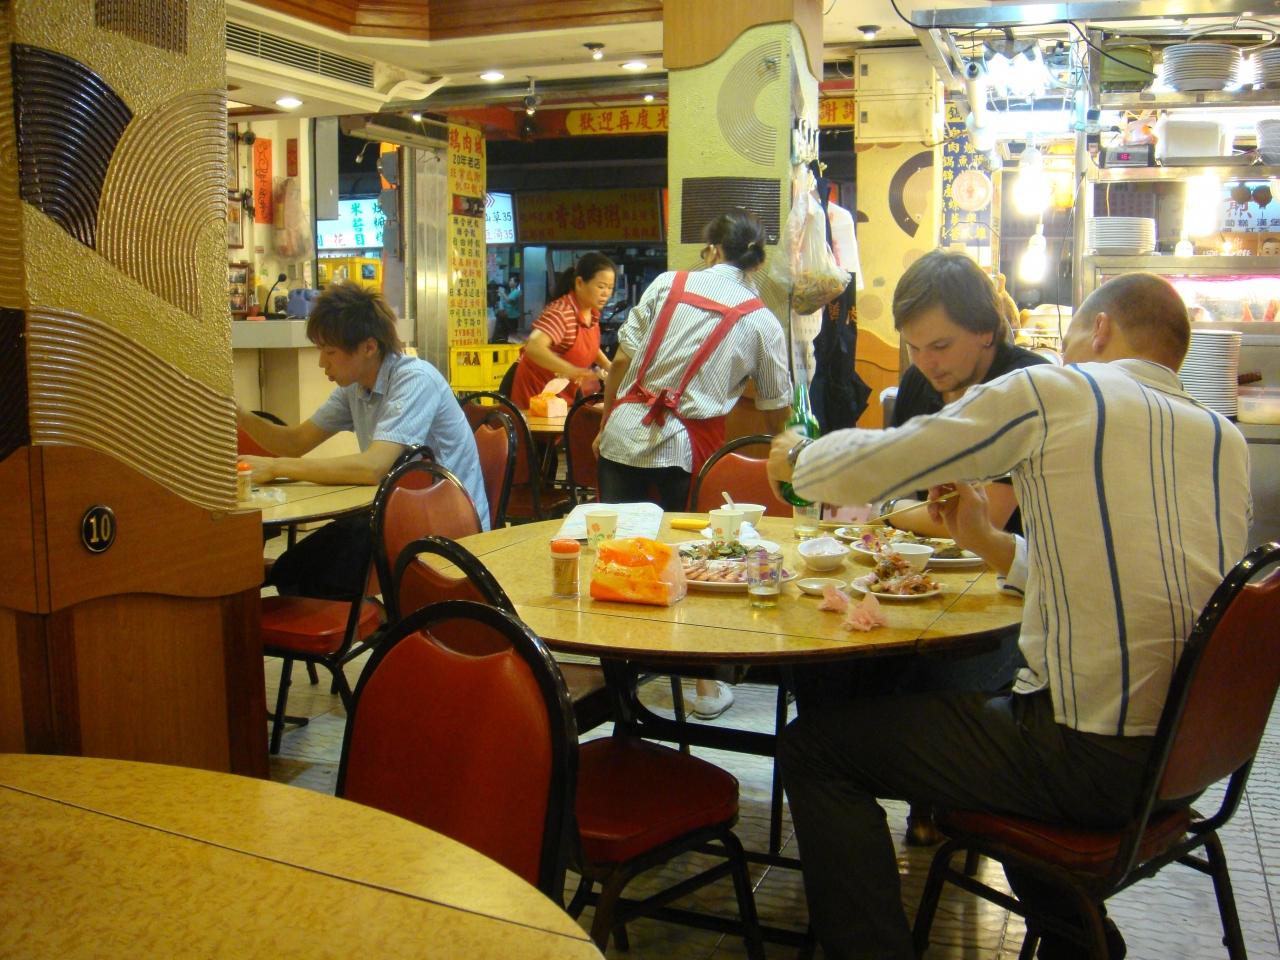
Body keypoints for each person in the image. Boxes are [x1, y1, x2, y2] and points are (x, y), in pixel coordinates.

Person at [767, 272, 1251, 960]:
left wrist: (800, 459)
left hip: (1093, 756)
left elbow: (891, 459)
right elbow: (1101, 571)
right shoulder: (1222, 438)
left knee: (816, 750)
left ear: (1100, 329)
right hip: (1189, 763)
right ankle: (1079, 944)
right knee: (999, 714)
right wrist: (985, 541)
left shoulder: (1065, 391)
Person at [596, 207, 792, 720]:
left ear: (712, 250)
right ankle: (704, 686)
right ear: (755, 262)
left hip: (622, 435)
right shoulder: (762, 321)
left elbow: (621, 362)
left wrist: (605, 423)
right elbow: (777, 406)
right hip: (686, 448)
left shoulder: (667, 284)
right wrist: (782, 457)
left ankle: (619, 680)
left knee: (619, 557)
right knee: (691, 563)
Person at [239, 282, 489, 600]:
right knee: (298, 567)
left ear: (369, 347)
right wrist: (239, 415)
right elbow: (295, 442)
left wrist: (277, 468)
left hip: (447, 526)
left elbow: (373, 467)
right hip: (398, 513)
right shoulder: (355, 387)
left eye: (330, 352)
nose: (322, 362)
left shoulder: (415, 380)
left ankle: (374, 618)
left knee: (308, 571)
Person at [884, 251, 1048, 539]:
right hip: (927, 559)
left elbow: (982, 521)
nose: (925, 363)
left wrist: (888, 509)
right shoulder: (916, 381)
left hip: (1015, 564)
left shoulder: (1026, 385)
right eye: (913, 347)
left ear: (985, 331)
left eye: (941, 346)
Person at [511, 253, 616, 409]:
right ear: (579, 283)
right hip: (535, 395)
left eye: (610, 288)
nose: (606, 293)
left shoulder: (592, 315)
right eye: (601, 286)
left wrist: (609, 366)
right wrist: (570, 370)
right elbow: (533, 347)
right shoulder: (562, 312)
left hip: (561, 396)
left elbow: (590, 348)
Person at [492, 274, 522, 343]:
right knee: (505, 333)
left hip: (512, 316)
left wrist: (501, 292)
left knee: (511, 335)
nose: (509, 282)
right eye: (509, 280)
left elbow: (509, 301)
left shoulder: (517, 292)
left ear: (516, 283)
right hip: (507, 315)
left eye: (511, 280)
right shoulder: (511, 292)